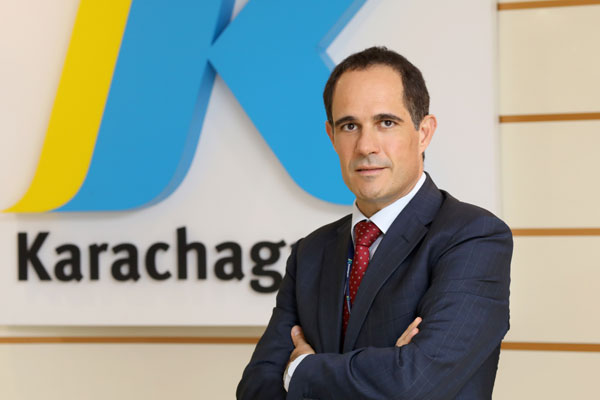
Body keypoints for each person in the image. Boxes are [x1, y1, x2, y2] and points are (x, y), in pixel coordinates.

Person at [236, 46, 512, 399]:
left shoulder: (473, 238)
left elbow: (413, 384)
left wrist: (301, 369)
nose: (366, 146)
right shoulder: (310, 253)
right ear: (332, 137)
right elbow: (256, 389)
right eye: (350, 126)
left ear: (424, 132)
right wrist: (386, 367)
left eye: (386, 123)